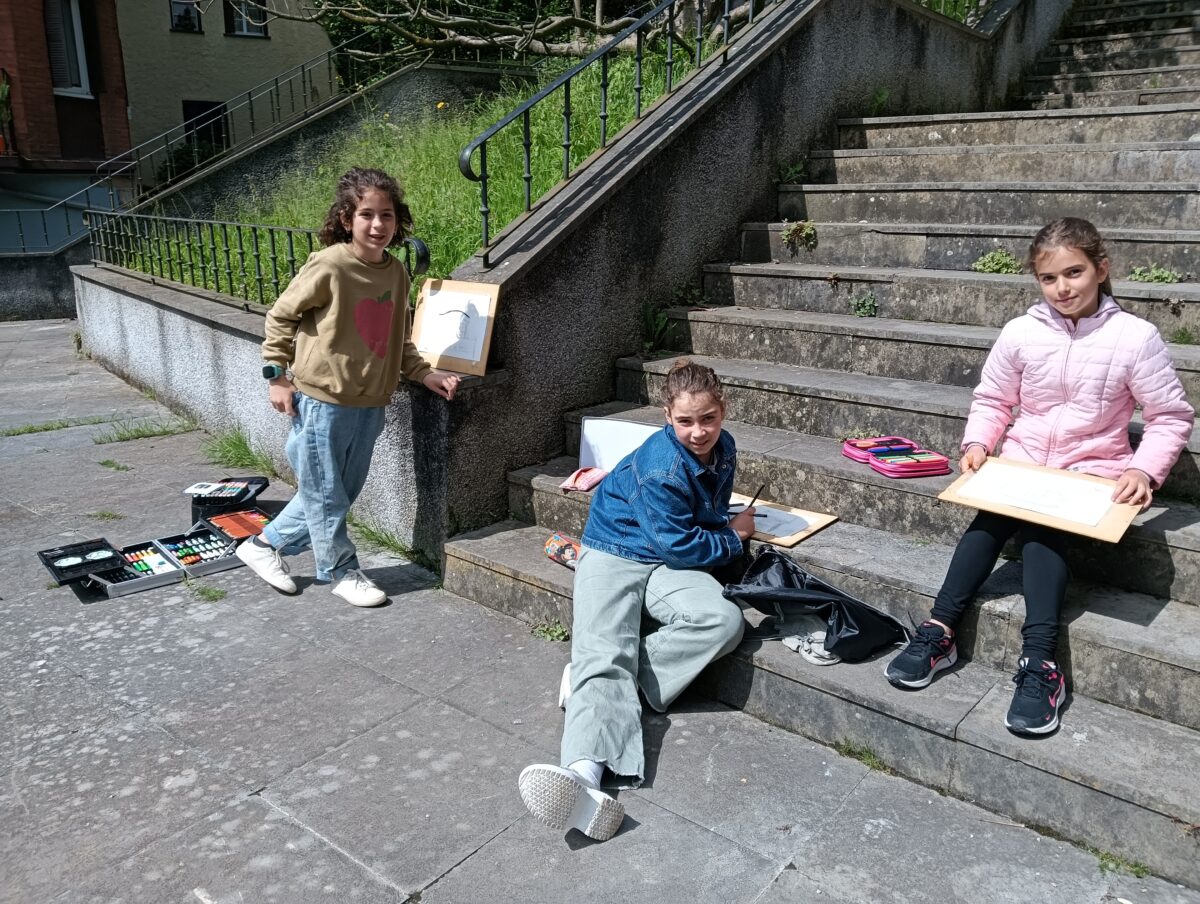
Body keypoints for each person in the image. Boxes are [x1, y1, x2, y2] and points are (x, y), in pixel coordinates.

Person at [885, 217, 1194, 735]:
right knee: (987, 523)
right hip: (1022, 463)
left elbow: (1170, 417)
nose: (1062, 288)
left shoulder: (1135, 338)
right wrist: (978, 442)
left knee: (1042, 535)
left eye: (1074, 272)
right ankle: (940, 628)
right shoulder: (1021, 332)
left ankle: (1040, 661)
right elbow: (993, 399)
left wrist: (1143, 469)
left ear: (1101, 269)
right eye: (1048, 278)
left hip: (1089, 472)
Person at [518, 359, 757, 841]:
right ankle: (583, 774)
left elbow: (694, 525)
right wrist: (734, 538)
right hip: (615, 550)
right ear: (667, 415)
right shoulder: (659, 467)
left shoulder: (725, 447)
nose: (698, 431)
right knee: (603, 648)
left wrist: (724, 528)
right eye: (685, 421)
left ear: (723, 410)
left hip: (667, 558)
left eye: (708, 418)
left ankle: (601, 686)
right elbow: (683, 546)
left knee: (723, 621)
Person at [236, 167, 460, 607]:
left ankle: (262, 546)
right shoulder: (330, 265)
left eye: (387, 215)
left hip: (371, 404)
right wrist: (276, 376)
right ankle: (341, 571)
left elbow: (397, 338)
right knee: (325, 495)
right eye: (366, 214)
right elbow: (281, 316)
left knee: (337, 493)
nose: (378, 225)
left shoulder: (396, 273)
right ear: (346, 218)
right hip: (322, 402)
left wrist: (424, 373)